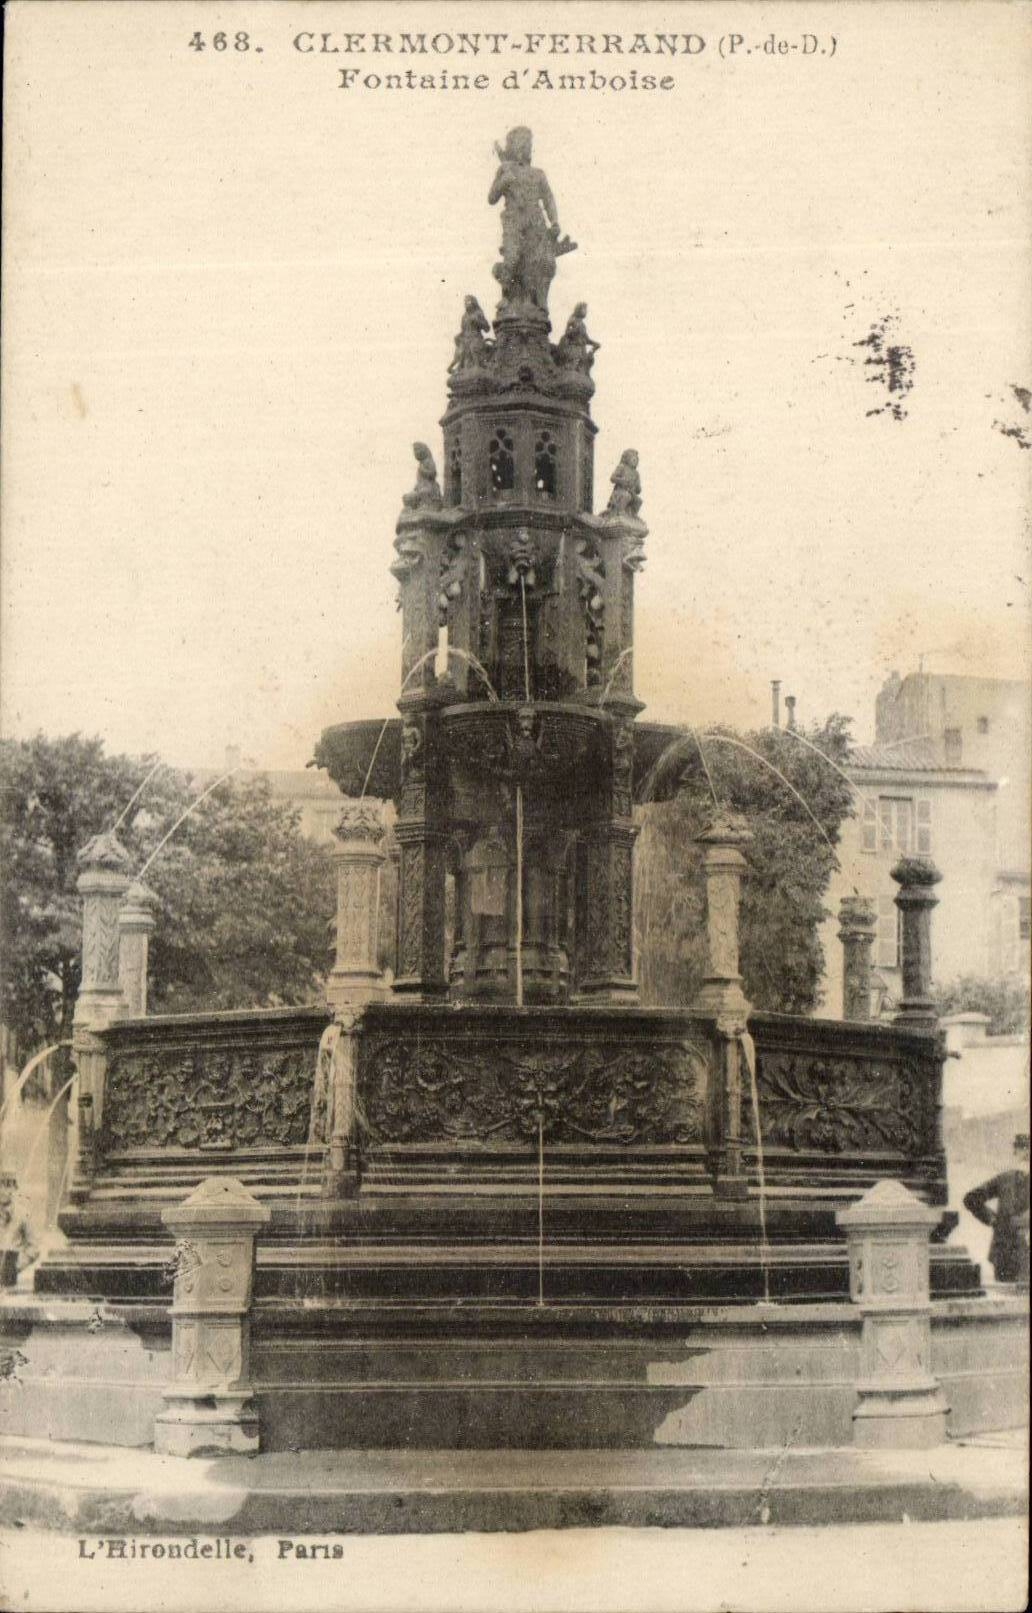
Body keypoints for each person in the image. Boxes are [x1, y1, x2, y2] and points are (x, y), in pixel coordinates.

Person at [963, 1133, 1030, 1284]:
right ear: (1016, 1152)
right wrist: (993, 1219)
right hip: (1004, 1255)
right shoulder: (1004, 1179)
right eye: (1023, 1149)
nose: (1026, 1154)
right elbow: (971, 1199)